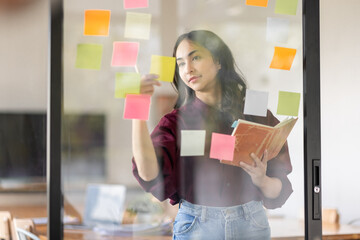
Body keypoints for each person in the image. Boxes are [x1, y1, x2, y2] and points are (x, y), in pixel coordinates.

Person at [131, 30, 293, 240]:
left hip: (251, 225)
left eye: (195, 57)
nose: (187, 69)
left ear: (218, 61)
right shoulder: (175, 122)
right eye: (180, 63)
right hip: (196, 228)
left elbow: (279, 189)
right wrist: (138, 106)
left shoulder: (256, 113)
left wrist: (261, 179)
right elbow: (148, 174)